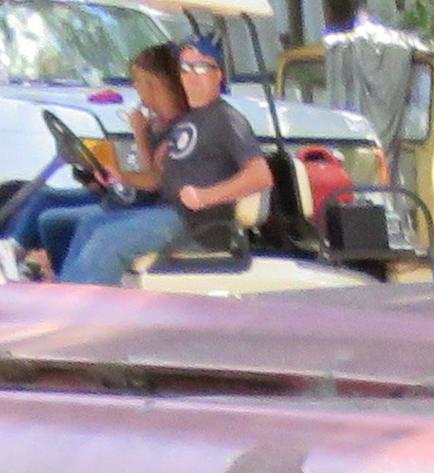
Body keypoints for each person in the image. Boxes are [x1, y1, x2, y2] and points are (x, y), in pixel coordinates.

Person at [35, 39, 273, 287]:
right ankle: (65, 297)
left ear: (218, 75)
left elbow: (260, 175)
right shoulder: (190, 121)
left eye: (201, 68)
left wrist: (206, 196)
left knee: (107, 240)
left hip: (199, 225)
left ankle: (76, 314)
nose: (191, 76)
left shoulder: (227, 119)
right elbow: (157, 179)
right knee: (91, 225)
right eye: (185, 69)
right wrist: (121, 176)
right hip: (168, 212)